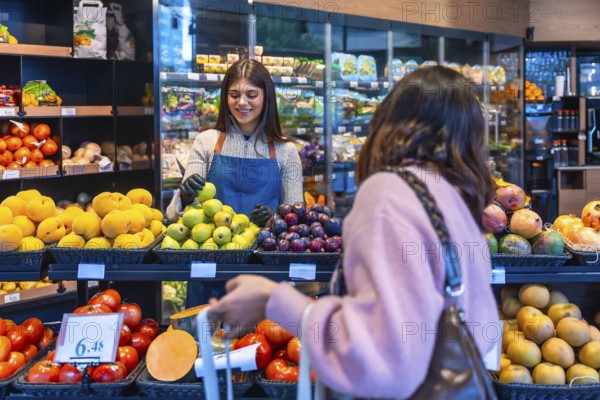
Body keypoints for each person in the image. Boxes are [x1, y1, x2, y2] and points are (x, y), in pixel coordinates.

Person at [207, 66, 501, 398]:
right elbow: (484, 333)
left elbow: (380, 362)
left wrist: (275, 301)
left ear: (389, 121)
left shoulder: (390, 194)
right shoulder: (454, 199)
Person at [166, 59, 303, 306]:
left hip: (265, 274)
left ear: (266, 98)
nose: (242, 102)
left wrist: (275, 220)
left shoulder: (286, 151)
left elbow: (297, 222)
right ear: (225, 97)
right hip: (209, 268)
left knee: (266, 342)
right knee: (204, 343)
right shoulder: (207, 142)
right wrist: (185, 197)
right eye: (234, 94)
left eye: (251, 94)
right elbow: (175, 217)